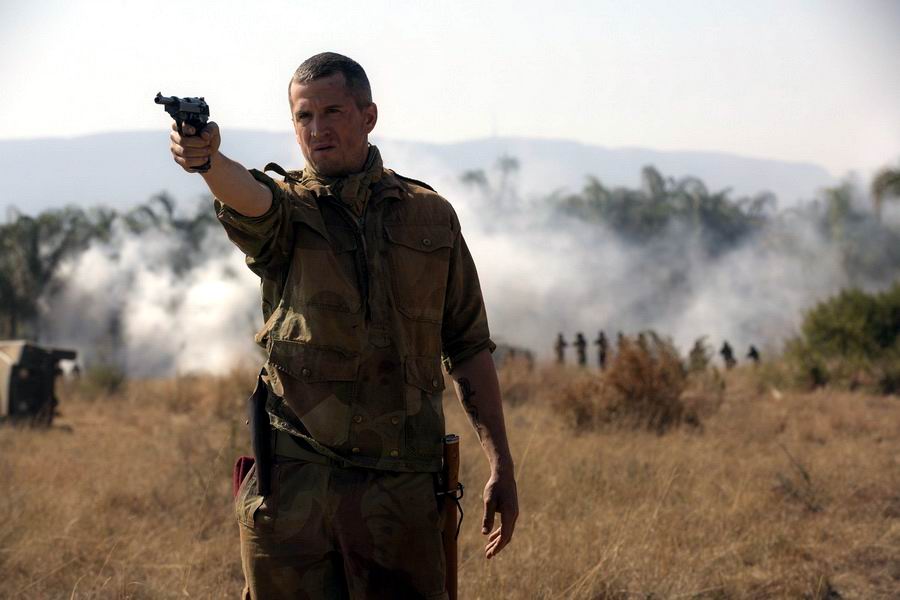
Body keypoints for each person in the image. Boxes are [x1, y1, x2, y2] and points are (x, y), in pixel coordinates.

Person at [168, 52, 518, 599]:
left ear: (368, 116)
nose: (317, 129)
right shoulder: (288, 211)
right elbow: (250, 197)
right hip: (294, 492)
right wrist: (209, 160)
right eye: (304, 117)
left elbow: (468, 346)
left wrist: (501, 464)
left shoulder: (430, 217)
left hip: (399, 491)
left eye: (332, 112)